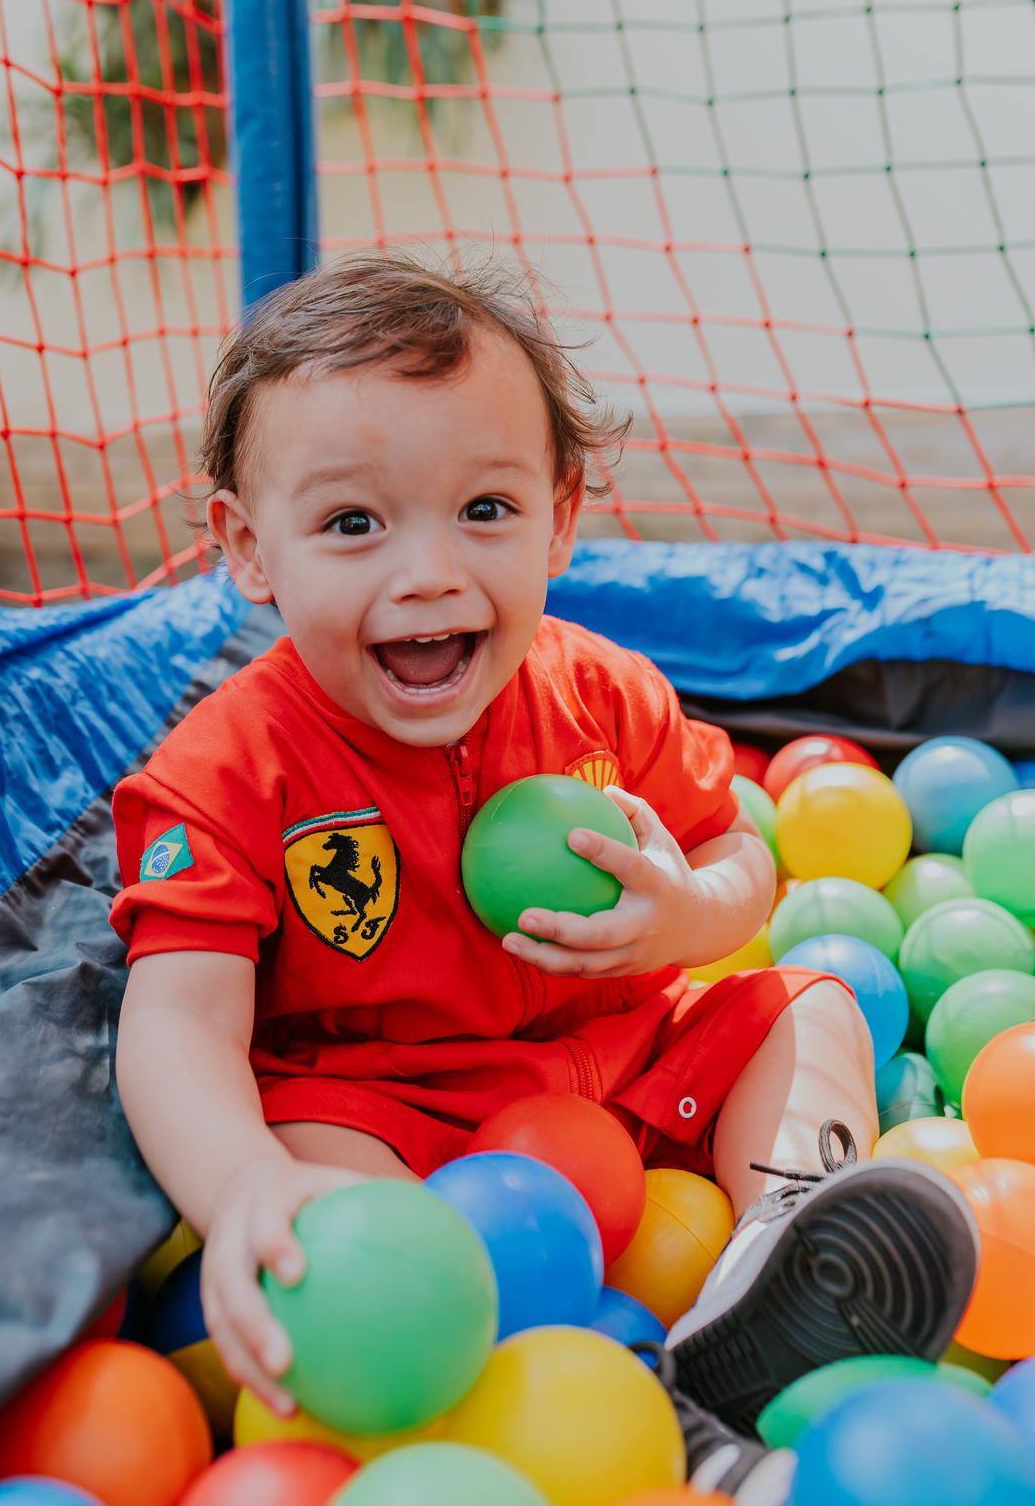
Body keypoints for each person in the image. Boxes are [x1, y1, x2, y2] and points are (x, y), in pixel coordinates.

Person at [110, 257, 977, 1483]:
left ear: (560, 516)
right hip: (391, 1114)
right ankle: (601, 1399)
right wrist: (243, 1181)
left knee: (809, 1002)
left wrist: (688, 914)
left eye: (485, 508)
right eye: (353, 524)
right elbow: (178, 1022)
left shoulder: (603, 694)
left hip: (627, 1069)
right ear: (251, 550)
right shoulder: (228, 771)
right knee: (318, 1169)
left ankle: (779, 1240)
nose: (427, 571)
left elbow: (738, 851)